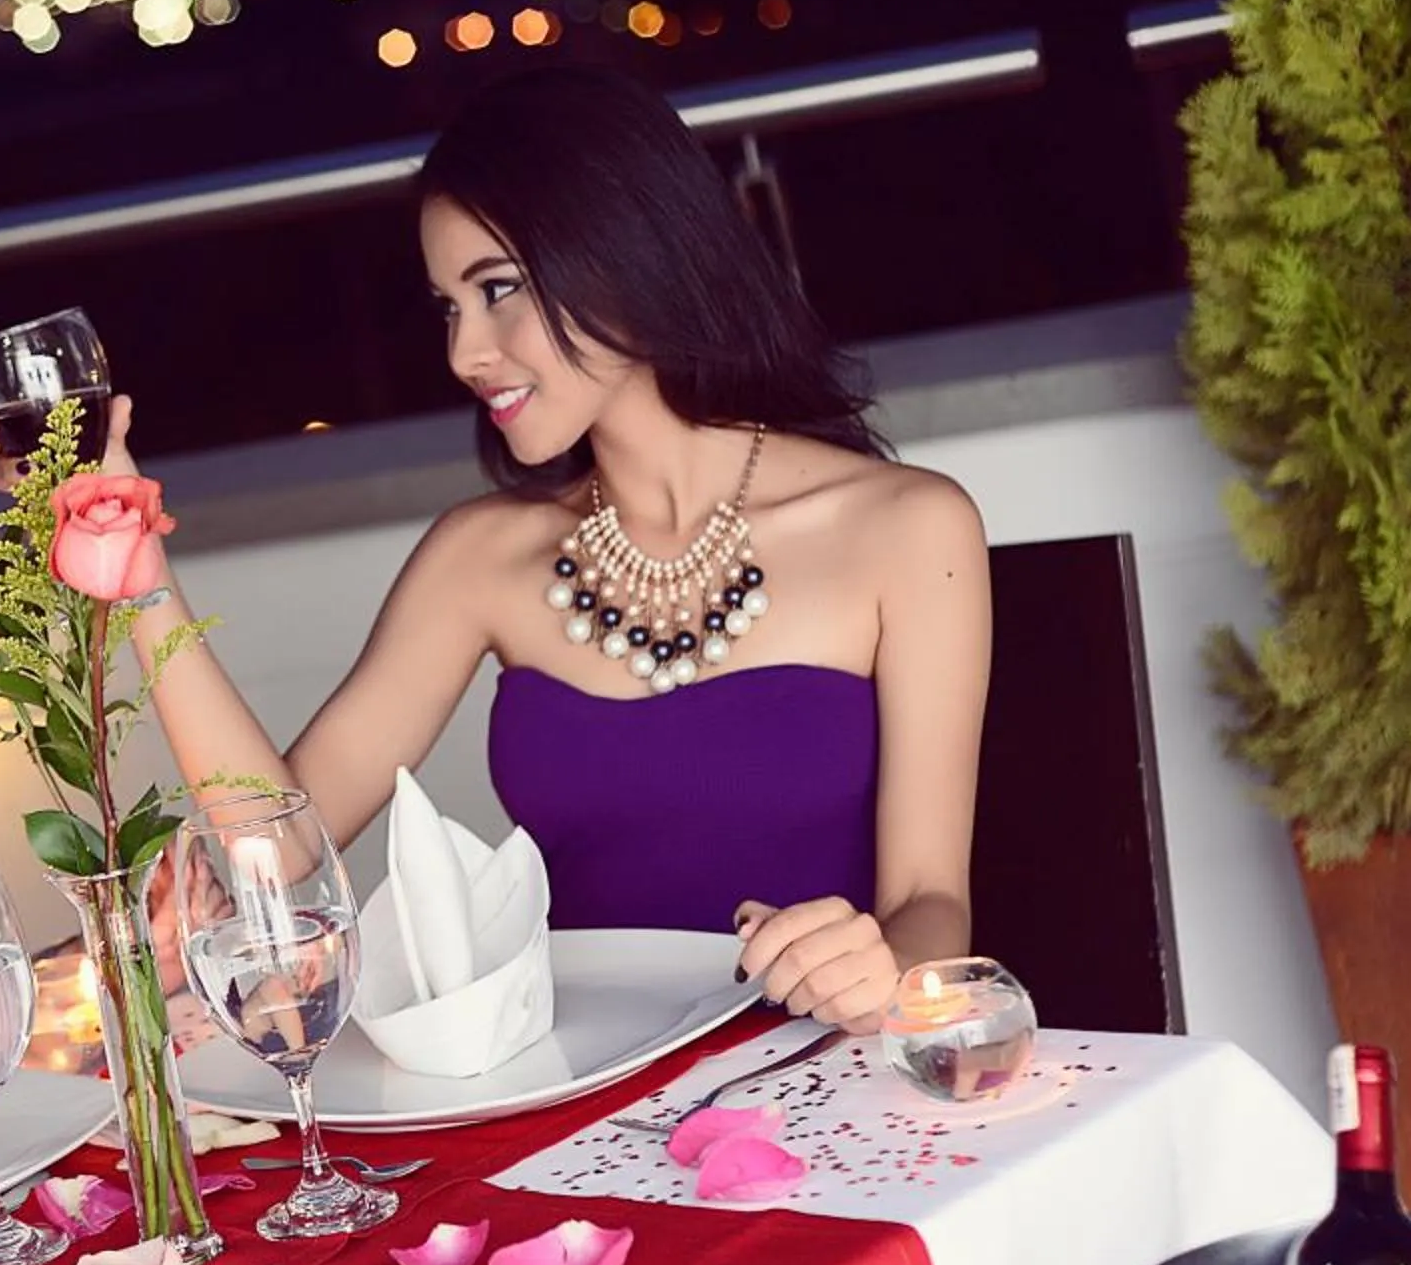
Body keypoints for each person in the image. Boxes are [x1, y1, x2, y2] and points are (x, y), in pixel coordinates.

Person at [121, 67, 990, 1034]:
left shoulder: (908, 528)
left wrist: (880, 968)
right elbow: (280, 854)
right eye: (449, 307)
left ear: (625, 254)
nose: (463, 353)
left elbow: (931, 904)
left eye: (498, 291)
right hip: (576, 1094)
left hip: (823, 1072)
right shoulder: (480, 557)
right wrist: (142, 586)